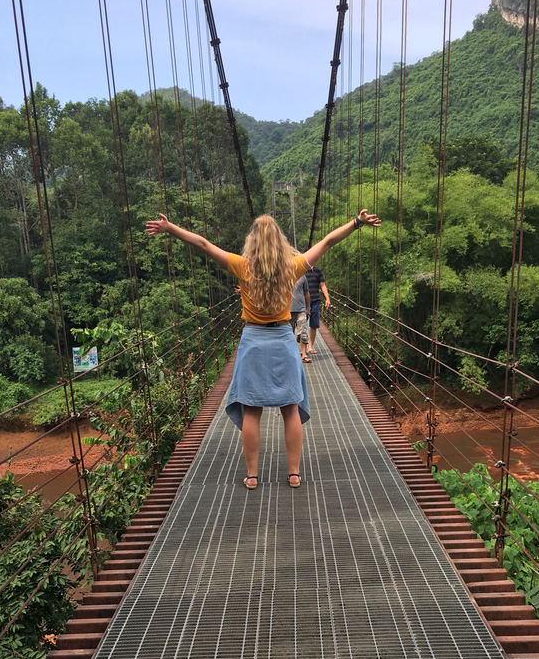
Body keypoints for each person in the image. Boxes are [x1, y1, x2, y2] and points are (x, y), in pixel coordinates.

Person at [145, 210, 380, 490]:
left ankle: (253, 475)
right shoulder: (293, 267)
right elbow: (328, 242)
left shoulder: (242, 266)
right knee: (290, 409)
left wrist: (171, 228)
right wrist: (356, 223)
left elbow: (204, 245)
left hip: (253, 342)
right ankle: (294, 473)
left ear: (252, 242)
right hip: (282, 340)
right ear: (280, 241)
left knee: (252, 411)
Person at [304, 263, 329, 356]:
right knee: (302, 325)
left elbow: (322, 284)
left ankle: (310, 347)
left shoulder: (317, 271)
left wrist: (327, 298)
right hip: (303, 302)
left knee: (313, 325)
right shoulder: (301, 271)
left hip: (315, 301)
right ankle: (304, 348)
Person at [289, 275, 311, 363]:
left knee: (303, 331)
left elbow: (306, 293)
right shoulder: (283, 273)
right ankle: (289, 354)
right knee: (288, 333)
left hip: (301, 309)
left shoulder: (303, 277)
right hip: (287, 310)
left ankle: (304, 354)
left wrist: (308, 308)